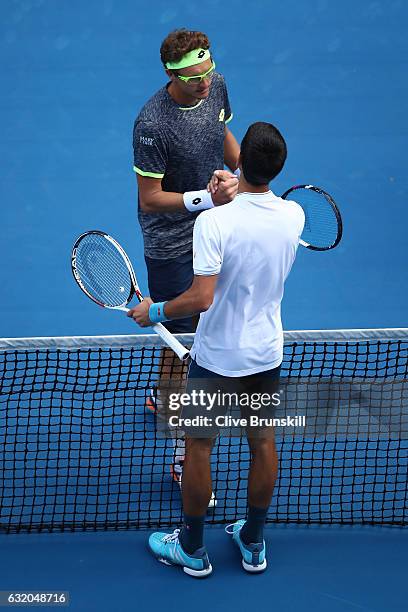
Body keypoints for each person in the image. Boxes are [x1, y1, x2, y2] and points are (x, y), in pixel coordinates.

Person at [128, 122, 305, 577]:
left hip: (217, 358)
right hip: (266, 353)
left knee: (199, 447)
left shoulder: (213, 222)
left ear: (238, 160)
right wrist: (241, 188)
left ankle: (191, 547)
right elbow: (259, 205)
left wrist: (157, 311)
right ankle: (253, 540)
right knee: (262, 442)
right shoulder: (294, 215)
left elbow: (201, 299)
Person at [133, 28, 240, 489]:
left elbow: (222, 128)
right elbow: (150, 198)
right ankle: (182, 452)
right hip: (172, 243)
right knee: (188, 343)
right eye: (194, 77)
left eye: (207, 71)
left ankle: (162, 395)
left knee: (183, 340)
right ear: (171, 75)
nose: (204, 82)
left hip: (217, 227)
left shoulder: (215, 83)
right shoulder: (151, 124)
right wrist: (206, 200)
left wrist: (245, 175)